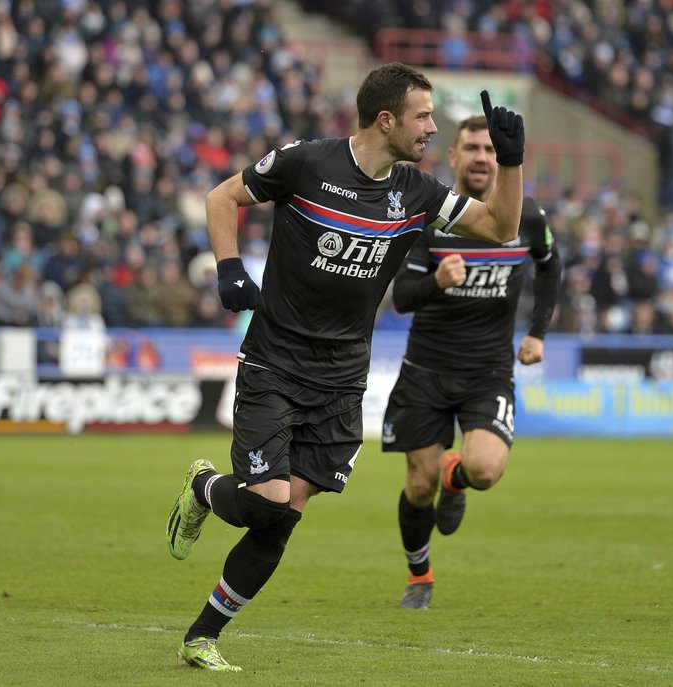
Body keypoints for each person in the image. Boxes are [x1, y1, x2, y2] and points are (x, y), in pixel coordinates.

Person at [165, 63, 526, 671]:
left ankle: (202, 638)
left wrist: (512, 164)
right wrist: (229, 267)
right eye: (423, 117)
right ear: (386, 120)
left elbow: (500, 225)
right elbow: (221, 196)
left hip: (341, 380)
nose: (433, 129)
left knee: (284, 518)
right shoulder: (305, 163)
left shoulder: (416, 191)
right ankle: (203, 488)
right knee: (265, 504)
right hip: (275, 362)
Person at [381, 116, 562, 610]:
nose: (482, 156)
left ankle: (456, 476)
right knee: (419, 484)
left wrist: (539, 332)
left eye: (489, 148)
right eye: (471, 148)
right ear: (454, 157)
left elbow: (550, 266)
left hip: (488, 372)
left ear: (499, 155)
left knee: (484, 469)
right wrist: (437, 280)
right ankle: (420, 576)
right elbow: (401, 297)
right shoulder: (429, 218)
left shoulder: (527, 217)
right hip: (426, 371)